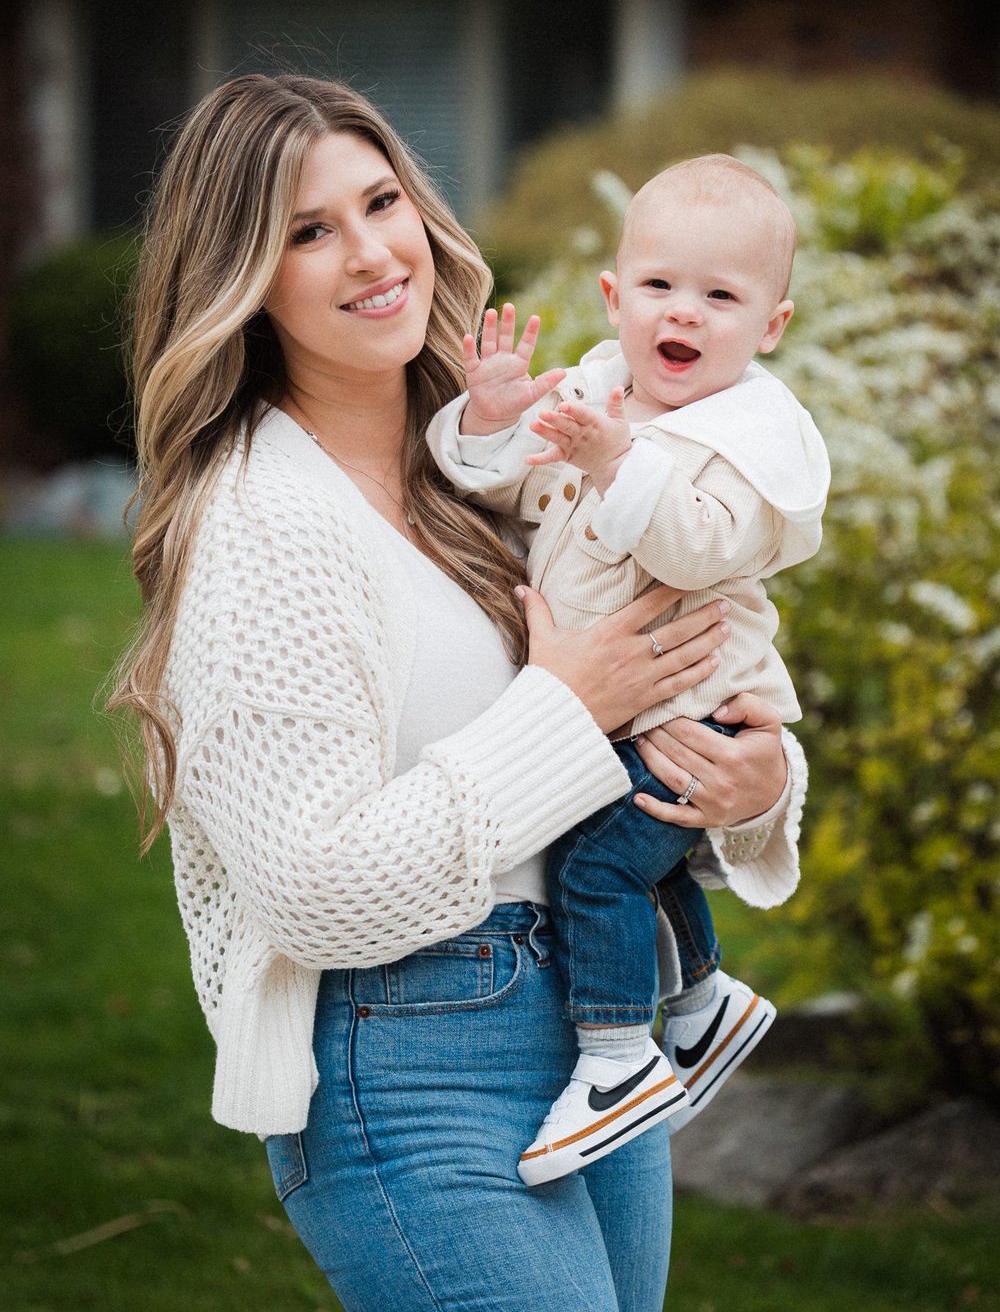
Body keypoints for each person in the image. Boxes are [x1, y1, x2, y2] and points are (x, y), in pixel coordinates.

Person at [111, 75, 801, 1312]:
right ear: (242, 277)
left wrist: (755, 782)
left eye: (382, 201)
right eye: (307, 231)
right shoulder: (265, 520)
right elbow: (313, 890)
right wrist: (563, 709)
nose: (374, 252)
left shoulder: (497, 452)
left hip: (600, 1024)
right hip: (414, 1055)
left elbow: (676, 654)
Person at [428, 154, 830, 1186]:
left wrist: (615, 461)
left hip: (697, 713)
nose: (681, 314)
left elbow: (697, 547)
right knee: (632, 855)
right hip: (633, 710)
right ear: (615, 297)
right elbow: (508, 497)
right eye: (658, 286)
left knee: (601, 866)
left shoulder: (751, 440)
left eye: (719, 296)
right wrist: (491, 418)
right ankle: (699, 1004)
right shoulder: (601, 393)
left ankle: (615, 1059)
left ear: (770, 326)